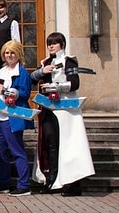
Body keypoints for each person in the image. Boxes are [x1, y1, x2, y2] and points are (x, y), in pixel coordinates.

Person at [31, 32, 95, 197]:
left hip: (66, 109)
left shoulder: (69, 60)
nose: (51, 46)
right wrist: (41, 72)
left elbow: (75, 83)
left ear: (62, 44)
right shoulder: (45, 62)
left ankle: (73, 184)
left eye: (55, 43)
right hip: (48, 108)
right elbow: (32, 78)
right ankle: (53, 181)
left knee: (69, 146)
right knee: (50, 145)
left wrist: (55, 87)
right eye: (49, 43)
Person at [0, 40, 34, 196]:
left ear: (18, 54)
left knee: (17, 150)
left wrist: (6, 91)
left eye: (12, 52)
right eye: (7, 52)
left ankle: (24, 185)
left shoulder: (23, 73)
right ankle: (3, 183)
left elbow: (24, 94)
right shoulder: (1, 71)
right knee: (1, 151)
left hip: (11, 116)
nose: (9, 55)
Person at [0, 0, 21, 74]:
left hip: (7, 57)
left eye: (1, 8)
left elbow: (16, 42)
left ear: (6, 8)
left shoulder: (12, 23)